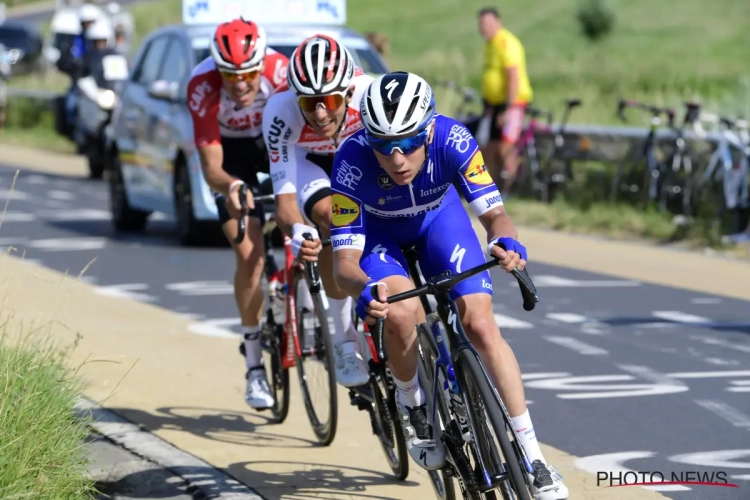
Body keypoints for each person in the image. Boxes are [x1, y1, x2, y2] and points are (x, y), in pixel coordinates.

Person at [328, 71, 569, 500]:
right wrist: (364, 288)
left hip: (441, 223)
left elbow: (494, 215)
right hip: (380, 240)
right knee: (403, 311)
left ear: (428, 130)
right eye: (384, 146)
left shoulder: (453, 139)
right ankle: (413, 405)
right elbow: (344, 263)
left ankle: (534, 458)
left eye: (407, 144)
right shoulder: (350, 160)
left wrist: (504, 239)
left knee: (480, 324)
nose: (397, 158)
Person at [186, 18, 288, 409]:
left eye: (247, 73)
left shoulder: (280, 72)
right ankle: (253, 365)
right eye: (231, 75)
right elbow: (211, 166)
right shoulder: (202, 86)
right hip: (230, 158)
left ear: (261, 63)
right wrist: (231, 186)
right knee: (251, 256)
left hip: (272, 142)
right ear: (218, 70)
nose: (241, 83)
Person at [261, 34, 373, 390]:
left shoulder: (369, 96)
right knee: (329, 219)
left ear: (348, 91)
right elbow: (285, 204)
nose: (320, 113)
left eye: (329, 99)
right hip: (307, 161)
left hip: (352, 154)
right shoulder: (280, 112)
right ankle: (344, 338)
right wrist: (298, 229)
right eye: (310, 103)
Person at [478, 7, 533, 197]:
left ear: (498, 23)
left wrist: (508, 109)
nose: (483, 28)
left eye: (487, 23)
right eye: (481, 24)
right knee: (488, 148)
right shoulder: (490, 44)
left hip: (513, 103)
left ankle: (509, 190)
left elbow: (513, 76)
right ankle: (491, 191)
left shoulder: (506, 42)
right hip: (493, 104)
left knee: (505, 149)